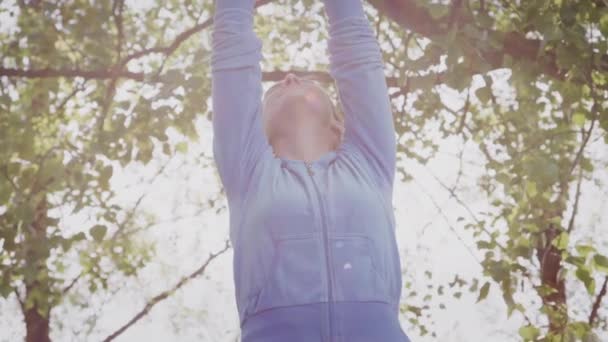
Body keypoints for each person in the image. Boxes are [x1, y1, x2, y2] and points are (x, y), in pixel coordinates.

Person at [210, 0, 411, 341]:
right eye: (273, 90)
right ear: (258, 128)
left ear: (338, 125)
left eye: (306, 81)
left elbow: (357, 57)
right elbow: (232, 48)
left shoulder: (368, 162)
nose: (288, 77)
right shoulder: (249, 172)